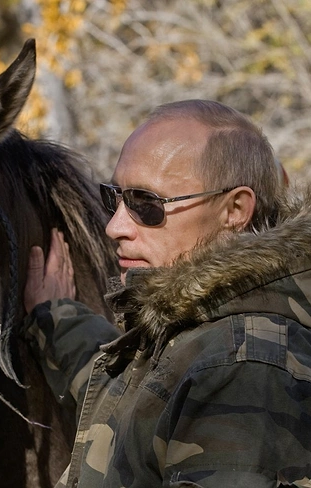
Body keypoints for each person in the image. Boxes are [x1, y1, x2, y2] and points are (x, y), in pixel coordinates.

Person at [23, 99, 311, 487]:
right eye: (115, 197)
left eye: (145, 203)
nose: (114, 226)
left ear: (235, 209)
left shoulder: (241, 364)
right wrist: (54, 315)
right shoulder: (196, 331)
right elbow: (123, 394)